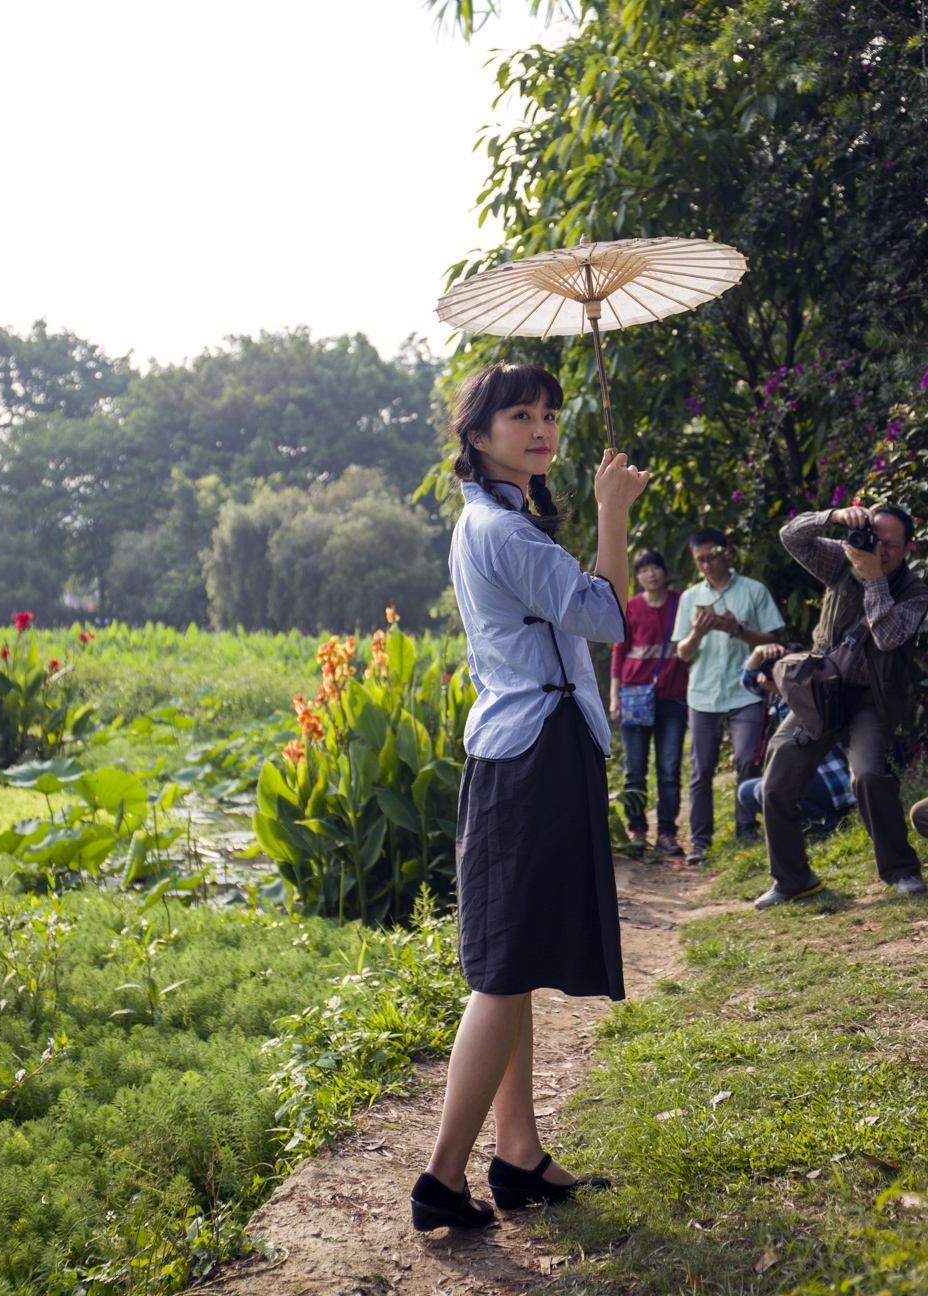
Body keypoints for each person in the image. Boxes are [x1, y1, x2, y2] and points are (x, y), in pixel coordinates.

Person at [410, 363, 648, 1232]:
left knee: (515, 968)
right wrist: (614, 513)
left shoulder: (505, 523)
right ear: (477, 435)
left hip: (523, 747)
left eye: (549, 413)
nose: (542, 427)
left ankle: (518, 1155)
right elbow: (608, 617)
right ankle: (440, 1179)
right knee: (503, 973)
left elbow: (578, 612)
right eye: (521, 414)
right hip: (533, 754)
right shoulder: (504, 533)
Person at [756, 503, 928, 909]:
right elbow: (790, 536)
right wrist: (832, 517)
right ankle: (793, 880)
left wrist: (873, 582)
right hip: (822, 689)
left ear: (908, 549)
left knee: (867, 775)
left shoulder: (917, 592)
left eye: (891, 545)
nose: (879, 551)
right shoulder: (842, 557)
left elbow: (887, 637)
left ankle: (901, 870)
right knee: (777, 778)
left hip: (874, 698)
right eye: (875, 539)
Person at [672, 527, 784, 864]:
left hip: (745, 690)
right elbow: (683, 653)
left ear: (726, 553)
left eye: (711, 556)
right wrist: (698, 631)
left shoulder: (753, 591)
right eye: (700, 560)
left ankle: (745, 829)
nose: (706, 564)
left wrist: (737, 629)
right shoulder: (690, 598)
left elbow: (774, 641)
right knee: (701, 769)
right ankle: (700, 841)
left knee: (746, 759)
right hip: (703, 692)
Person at [609, 549, 688, 856]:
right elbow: (619, 653)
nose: (651, 573)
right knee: (635, 770)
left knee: (669, 769)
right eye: (644, 569)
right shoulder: (630, 608)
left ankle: (667, 833)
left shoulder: (681, 603)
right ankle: (637, 830)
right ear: (637, 576)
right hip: (634, 697)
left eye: (656, 567)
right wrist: (614, 697)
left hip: (673, 701)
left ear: (664, 571)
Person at [736, 641, 856, 835]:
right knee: (747, 792)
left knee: (767, 789)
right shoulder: (777, 700)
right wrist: (758, 652)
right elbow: (747, 681)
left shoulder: (812, 694)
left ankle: (829, 824)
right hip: (809, 779)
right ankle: (808, 823)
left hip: (834, 784)